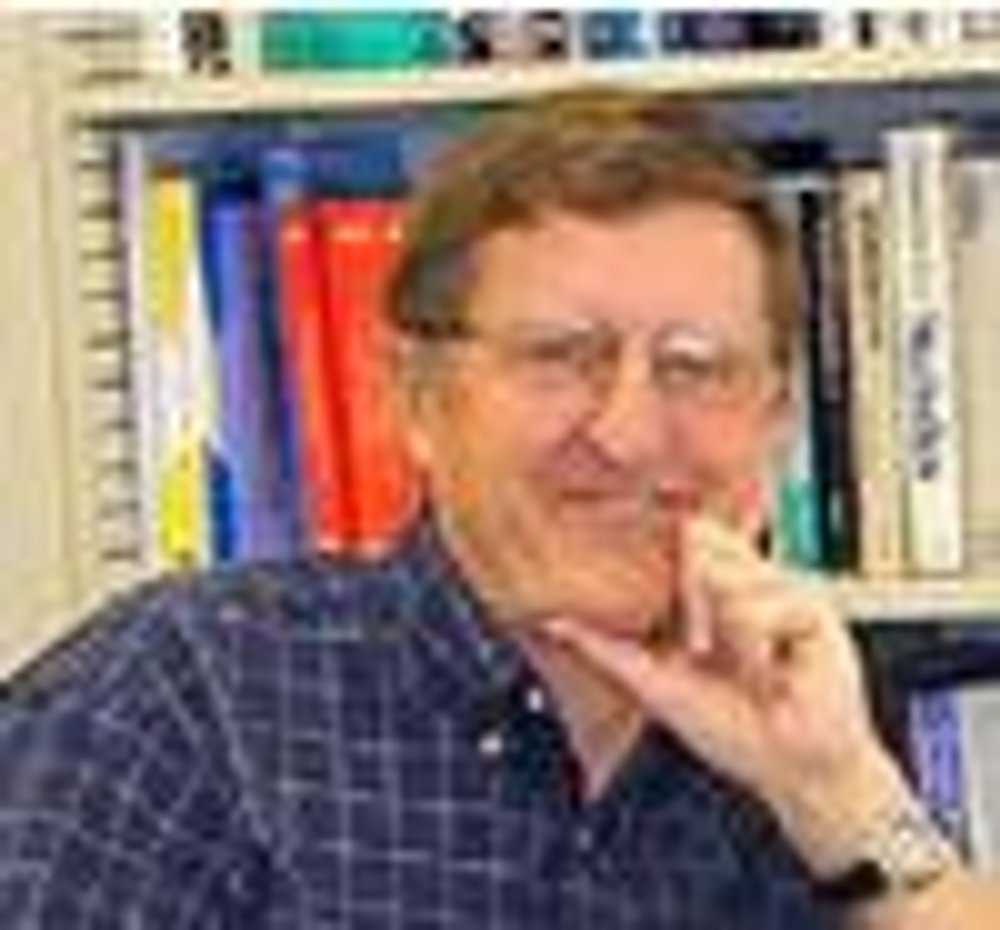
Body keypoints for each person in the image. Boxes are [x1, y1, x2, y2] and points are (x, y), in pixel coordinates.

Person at [1, 88, 998, 929]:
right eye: (560, 356)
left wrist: (839, 792)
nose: (629, 433)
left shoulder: (803, 731)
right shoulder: (183, 701)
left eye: (696, 366)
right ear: (416, 397)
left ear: (775, 423)